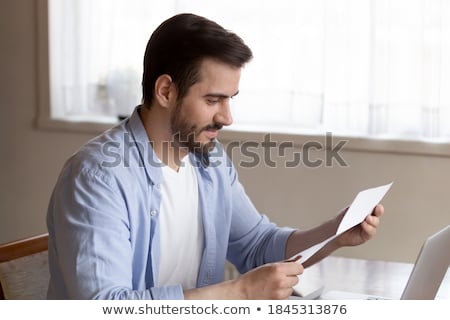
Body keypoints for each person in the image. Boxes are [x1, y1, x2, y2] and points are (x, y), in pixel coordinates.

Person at [46, 13, 384, 300]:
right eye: (213, 100)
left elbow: (257, 245)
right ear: (166, 91)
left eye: (230, 99)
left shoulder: (208, 160)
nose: (227, 117)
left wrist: (334, 233)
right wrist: (239, 292)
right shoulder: (98, 177)